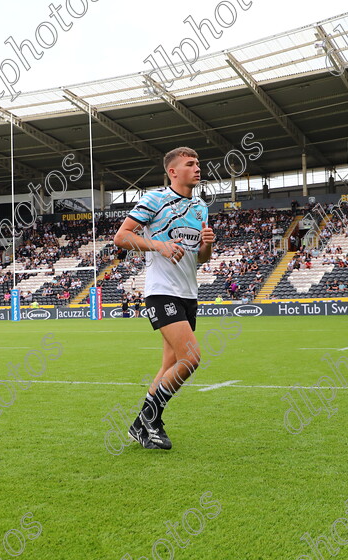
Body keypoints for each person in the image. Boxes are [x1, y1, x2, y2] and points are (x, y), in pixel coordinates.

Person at [113, 146, 214, 450]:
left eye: (198, 164)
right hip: (161, 291)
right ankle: (151, 420)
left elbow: (200, 260)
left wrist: (207, 245)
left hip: (188, 293)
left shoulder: (200, 208)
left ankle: (138, 425)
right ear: (173, 172)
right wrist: (158, 245)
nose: (198, 169)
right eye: (190, 164)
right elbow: (121, 237)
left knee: (170, 363)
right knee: (191, 357)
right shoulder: (155, 199)